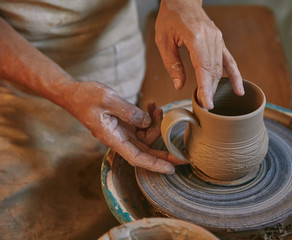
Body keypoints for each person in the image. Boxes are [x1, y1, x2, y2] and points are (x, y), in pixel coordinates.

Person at [0, 0, 243, 238]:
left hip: (114, 59)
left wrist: (182, 3)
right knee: (39, 219)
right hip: (23, 78)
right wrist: (65, 90)